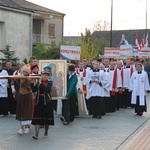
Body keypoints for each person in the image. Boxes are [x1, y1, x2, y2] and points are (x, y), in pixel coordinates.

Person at [31, 70, 54, 139]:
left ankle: (46, 133)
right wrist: (33, 82)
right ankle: (36, 134)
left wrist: (40, 84)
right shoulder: (39, 82)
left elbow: (46, 89)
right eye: (44, 75)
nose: (45, 76)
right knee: (37, 117)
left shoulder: (50, 83)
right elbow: (34, 90)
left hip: (47, 102)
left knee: (47, 118)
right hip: (39, 102)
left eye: (47, 75)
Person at [15, 65, 34, 135]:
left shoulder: (30, 78)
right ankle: (21, 127)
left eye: (26, 72)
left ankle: (26, 127)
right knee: (21, 110)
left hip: (28, 95)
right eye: (23, 72)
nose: (24, 73)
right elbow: (17, 86)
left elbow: (30, 88)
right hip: (21, 95)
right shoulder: (19, 77)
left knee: (27, 110)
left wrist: (26, 82)